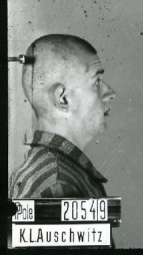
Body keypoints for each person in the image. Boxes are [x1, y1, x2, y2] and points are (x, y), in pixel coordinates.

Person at [10, 34, 116, 198]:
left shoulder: (56, 173)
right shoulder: (58, 182)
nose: (110, 93)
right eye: (97, 80)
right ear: (63, 98)